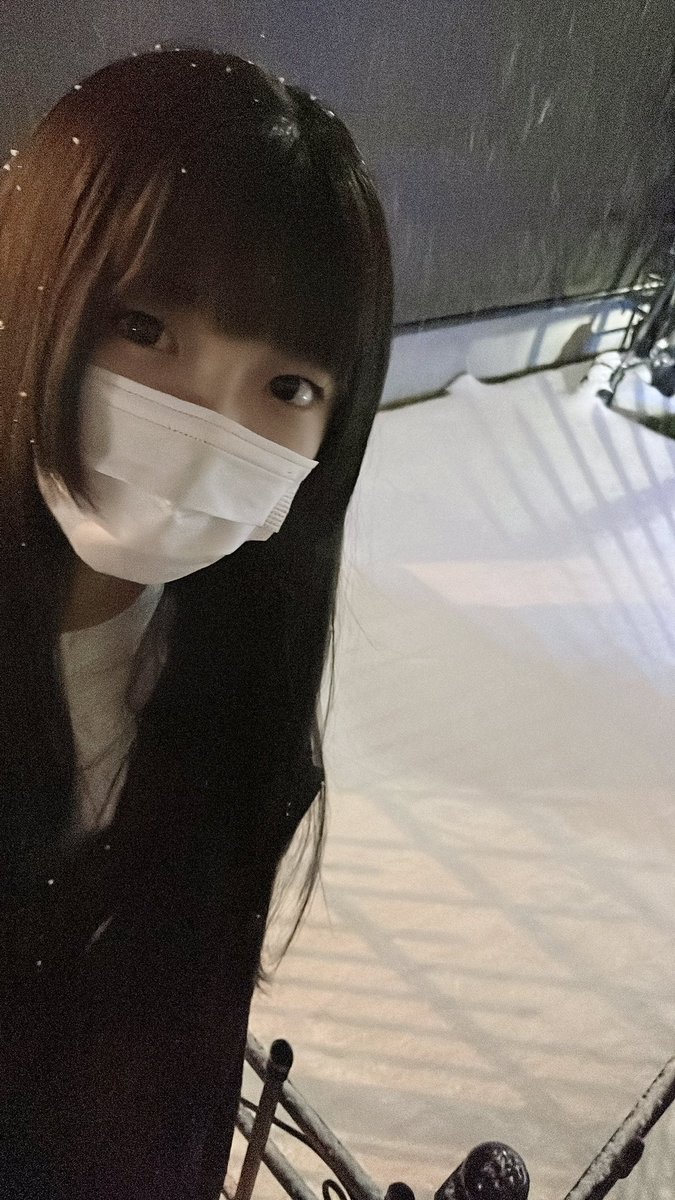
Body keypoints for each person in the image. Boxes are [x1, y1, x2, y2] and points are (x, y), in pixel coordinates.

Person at [0, 45, 393, 1199]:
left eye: (287, 387)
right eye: (143, 326)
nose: (203, 426)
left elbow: (171, 1088)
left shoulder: (236, 698)